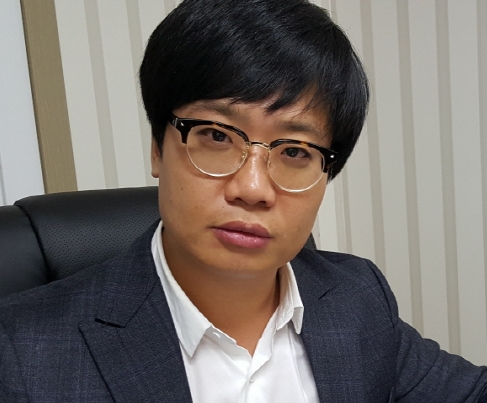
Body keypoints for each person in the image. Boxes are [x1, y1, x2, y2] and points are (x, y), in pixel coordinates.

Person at [1, 0, 486, 401]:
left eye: (295, 151)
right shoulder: (23, 350)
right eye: (216, 135)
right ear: (157, 148)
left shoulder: (356, 297)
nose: (252, 189)